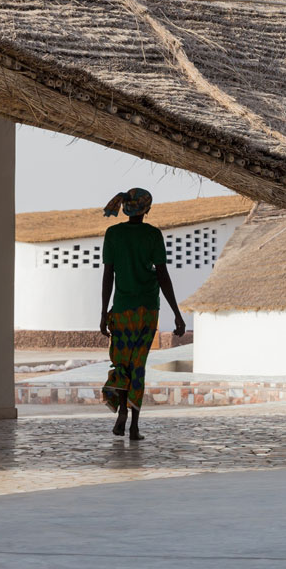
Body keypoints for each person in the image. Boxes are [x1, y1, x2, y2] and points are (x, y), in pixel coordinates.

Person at [98, 187, 186, 440]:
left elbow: (108, 276)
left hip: (123, 310)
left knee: (122, 363)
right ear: (146, 209)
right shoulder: (152, 235)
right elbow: (162, 275)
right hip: (147, 311)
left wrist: (104, 312)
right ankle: (134, 425)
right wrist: (177, 314)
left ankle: (121, 414)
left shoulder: (113, 234)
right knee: (138, 366)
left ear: (126, 207)